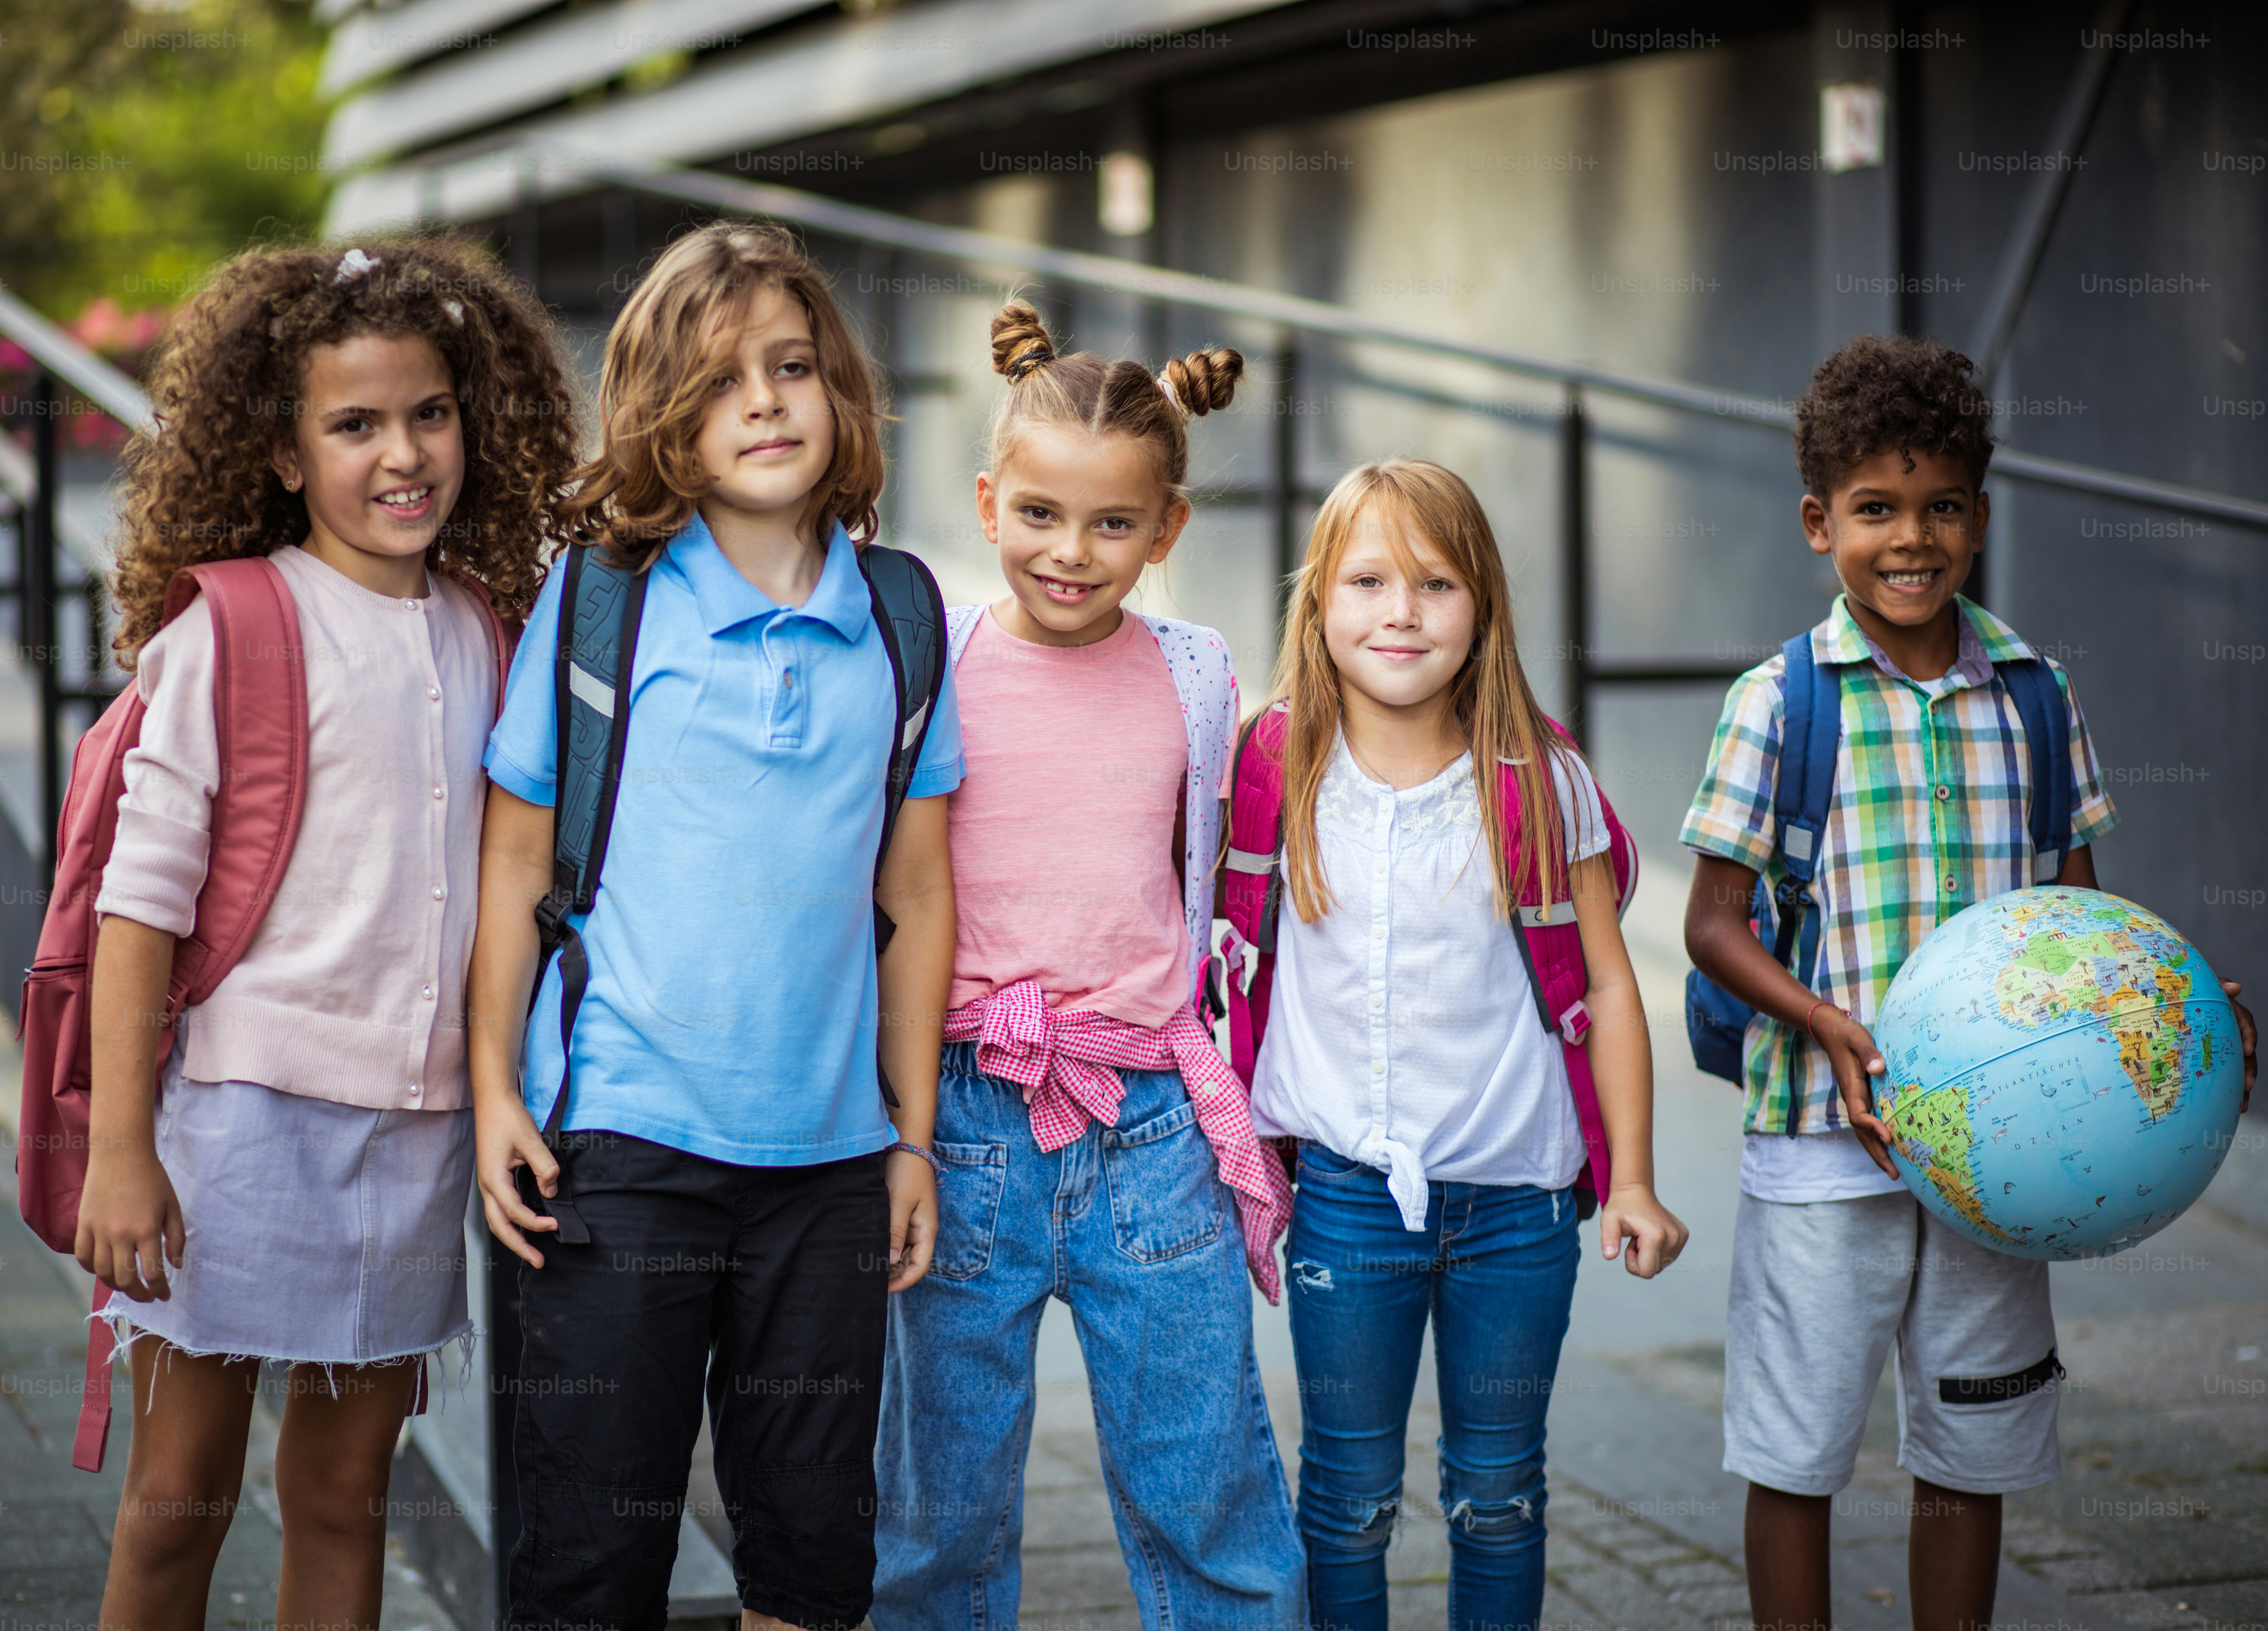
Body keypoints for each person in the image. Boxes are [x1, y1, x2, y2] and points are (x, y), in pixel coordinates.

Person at [1680, 333, 2258, 1631]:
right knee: (1795, 1446)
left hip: (2007, 1161)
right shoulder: (1777, 702)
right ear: (1817, 521)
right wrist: (1824, 1021)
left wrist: (2175, 1005)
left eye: (1941, 506)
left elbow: (2079, 915)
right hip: (1826, 1142)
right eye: (1875, 510)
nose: (1911, 538)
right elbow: (1713, 925)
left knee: (1969, 1444)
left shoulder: (2035, 694)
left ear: (1981, 516)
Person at [77, 239, 582, 1628]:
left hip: (414, 1133)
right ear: (287, 454)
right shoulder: (231, 625)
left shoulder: (490, 627)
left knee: (347, 1497)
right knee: (177, 1496)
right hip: (236, 1126)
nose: (401, 454)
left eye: (429, 413)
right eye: (353, 425)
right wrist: (124, 1150)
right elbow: (140, 907)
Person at [467, 221, 963, 1631]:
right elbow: (513, 867)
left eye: (791, 366)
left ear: (839, 393)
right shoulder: (599, 602)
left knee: (810, 1561)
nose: (762, 400)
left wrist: (911, 1134)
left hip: (828, 1169)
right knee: (589, 1559)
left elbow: (916, 896)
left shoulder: (902, 615)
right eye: (718, 379)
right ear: (664, 422)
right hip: (620, 1150)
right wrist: (496, 1085)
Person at [872, 301, 1305, 1628]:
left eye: (1113, 524)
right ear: (991, 499)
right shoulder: (930, 656)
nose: (1071, 552)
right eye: (1041, 515)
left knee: (1207, 1491)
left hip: (1151, 1130)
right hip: (961, 1126)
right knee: (934, 1516)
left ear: (1165, 530)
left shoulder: (1195, 673)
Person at [1250, 458, 1688, 1631]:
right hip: (1344, 1200)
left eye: (1435, 583)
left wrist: (1632, 1180)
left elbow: (1607, 978)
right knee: (1343, 1498)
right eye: (1369, 580)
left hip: (1517, 1209)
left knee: (1496, 1493)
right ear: (1318, 607)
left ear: (1482, 607)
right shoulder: (1268, 771)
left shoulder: (1541, 781)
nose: (1400, 610)